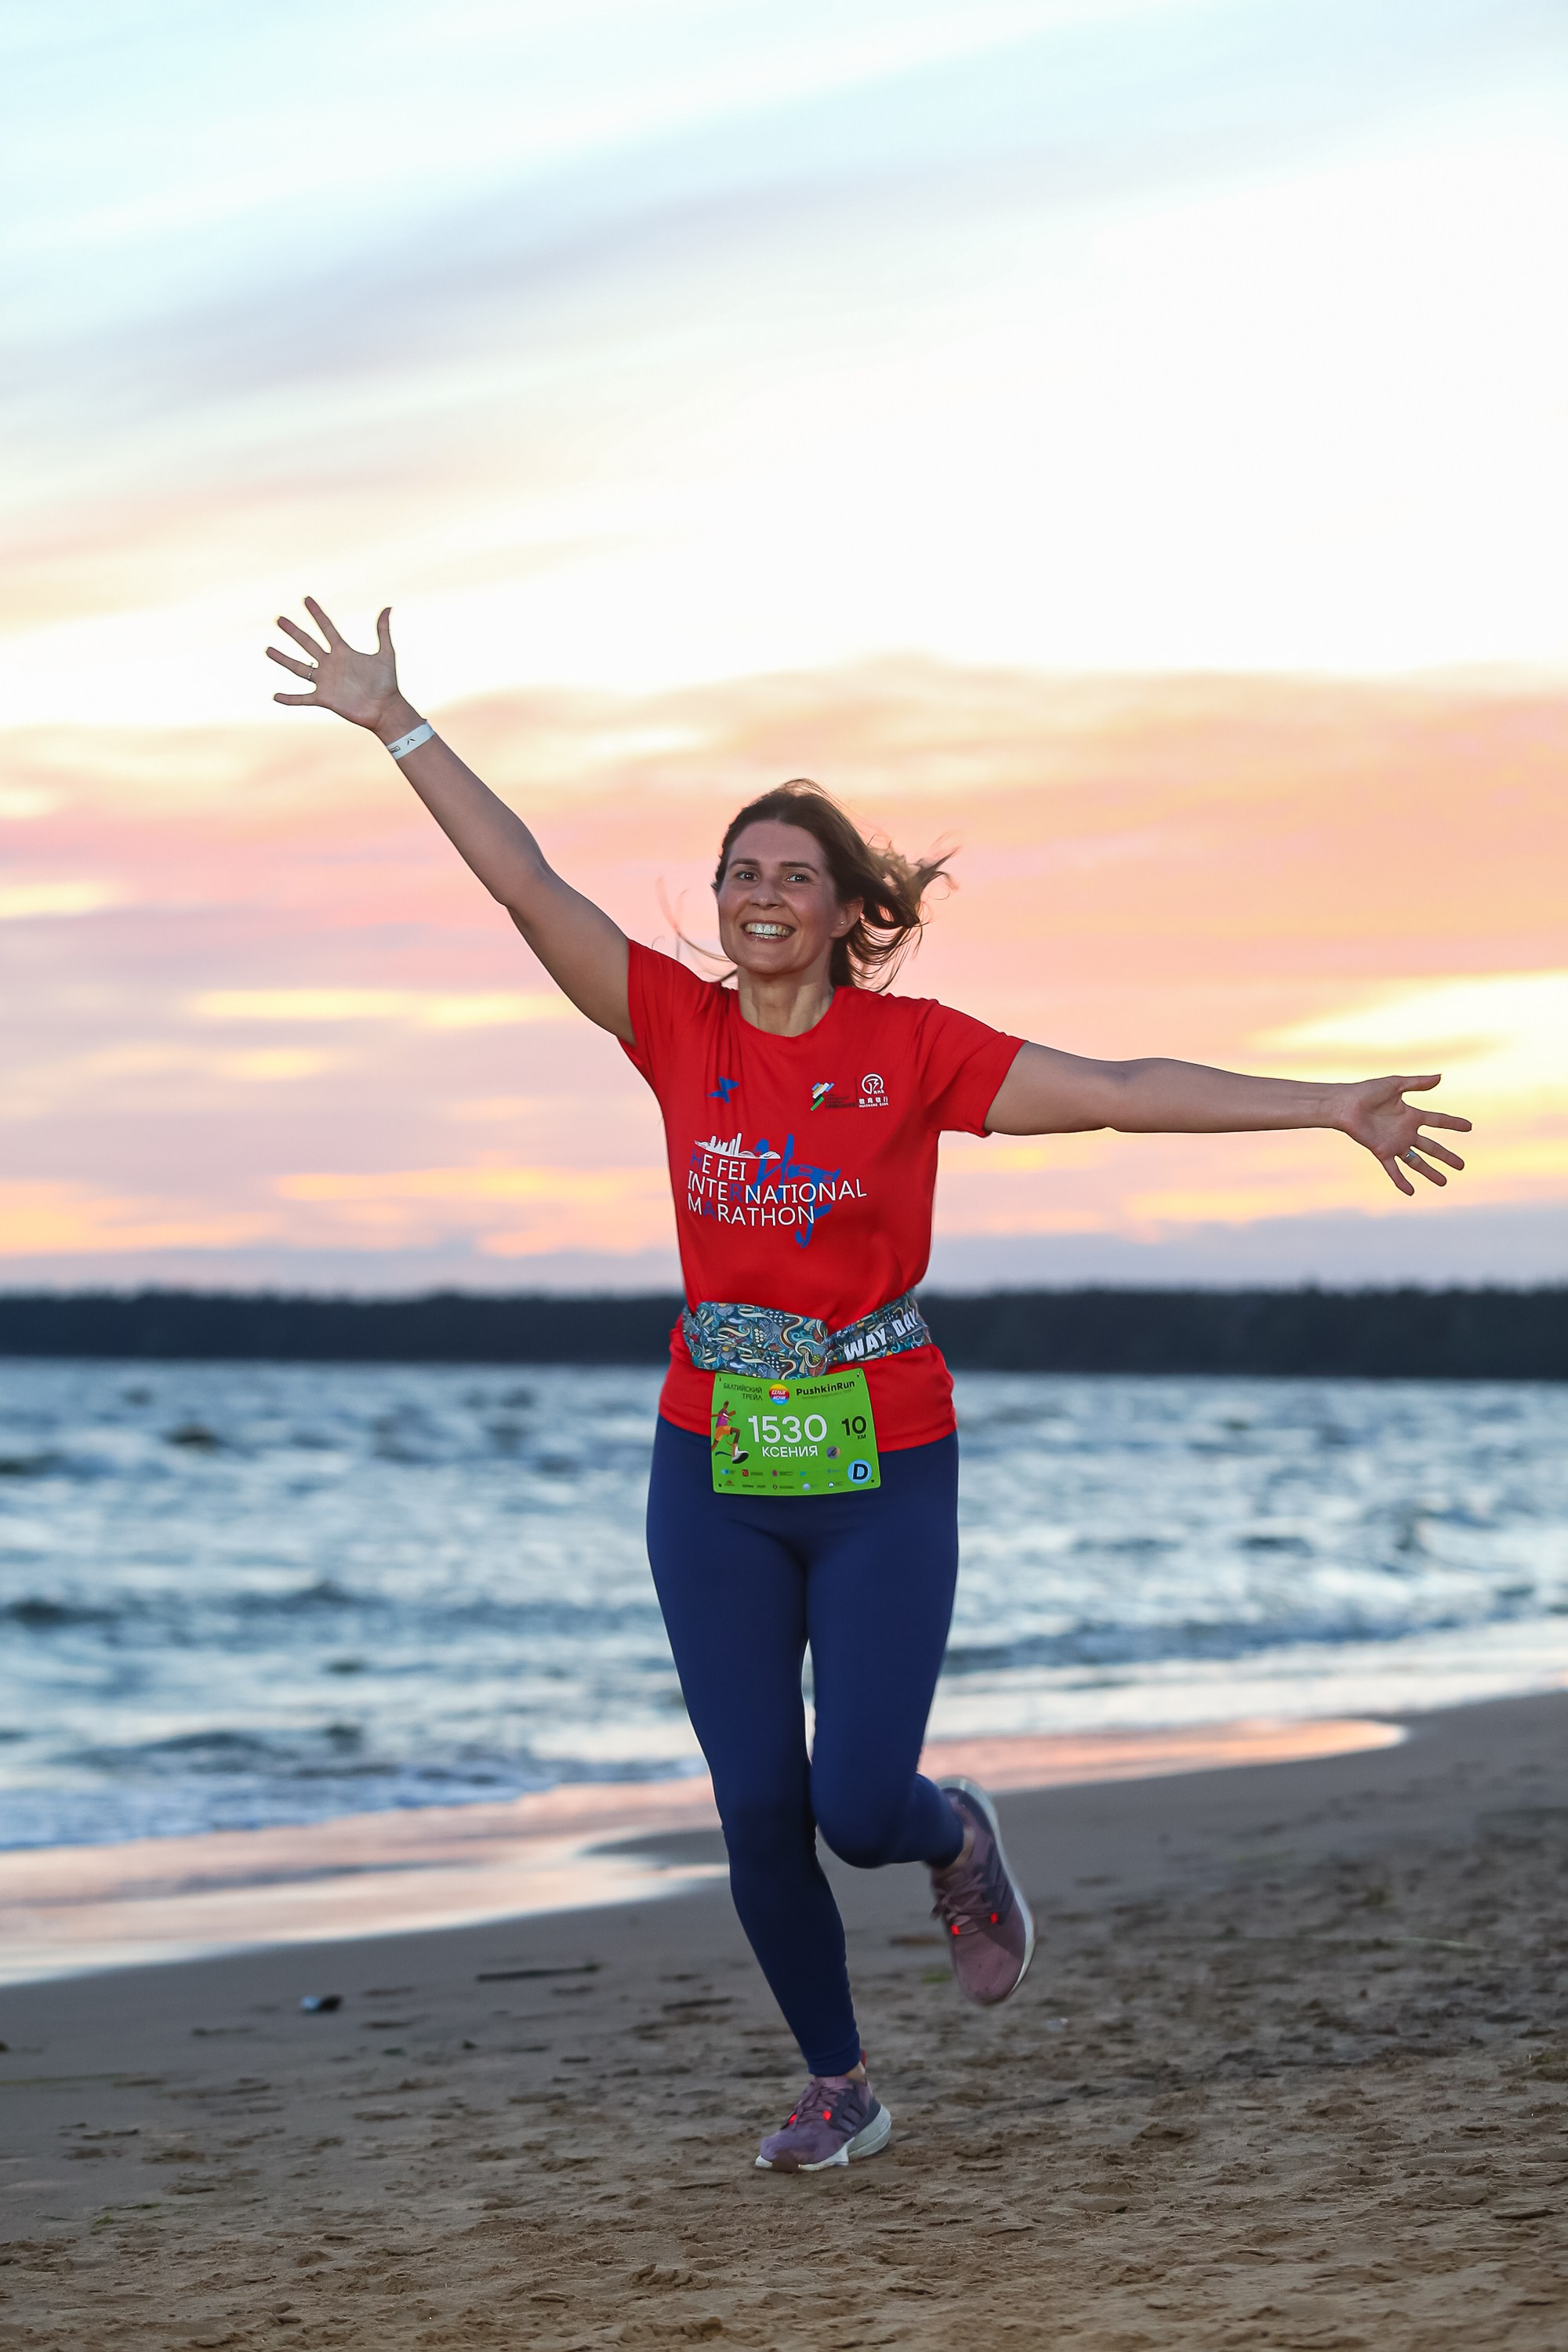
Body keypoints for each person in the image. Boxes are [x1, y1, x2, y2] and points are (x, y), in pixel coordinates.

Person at [267, 601, 1472, 2172]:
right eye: (741, 873)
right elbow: (524, 883)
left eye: (795, 876)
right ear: (715, 903)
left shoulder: (909, 1052)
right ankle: (838, 2080)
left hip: (880, 1455)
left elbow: (1111, 1094)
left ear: (845, 912)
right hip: (712, 1459)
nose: (763, 895)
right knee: (755, 1804)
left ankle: (952, 1833)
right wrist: (395, 723)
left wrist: (1324, 1105)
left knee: (854, 1801)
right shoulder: (671, 1026)